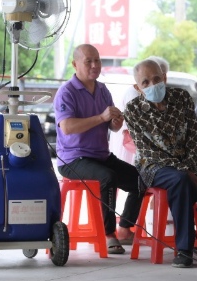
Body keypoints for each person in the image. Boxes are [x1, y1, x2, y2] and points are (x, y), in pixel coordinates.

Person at [124, 59, 197, 268]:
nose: (152, 85)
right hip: (152, 166)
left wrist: (192, 168)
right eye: (145, 82)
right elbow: (148, 150)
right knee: (181, 181)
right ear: (138, 88)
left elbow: (194, 137)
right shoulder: (133, 110)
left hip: (187, 161)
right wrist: (185, 171)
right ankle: (184, 249)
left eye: (156, 79)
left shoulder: (181, 98)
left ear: (164, 78)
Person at [55, 44, 142, 255]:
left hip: (101, 155)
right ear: (75, 64)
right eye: (88, 61)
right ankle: (108, 233)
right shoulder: (66, 92)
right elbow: (67, 127)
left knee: (141, 179)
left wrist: (115, 121)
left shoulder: (103, 90)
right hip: (73, 160)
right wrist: (101, 118)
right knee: (107, 177)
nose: (94, 65)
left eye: (97, 60)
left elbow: (112, 126)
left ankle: (124, 227)